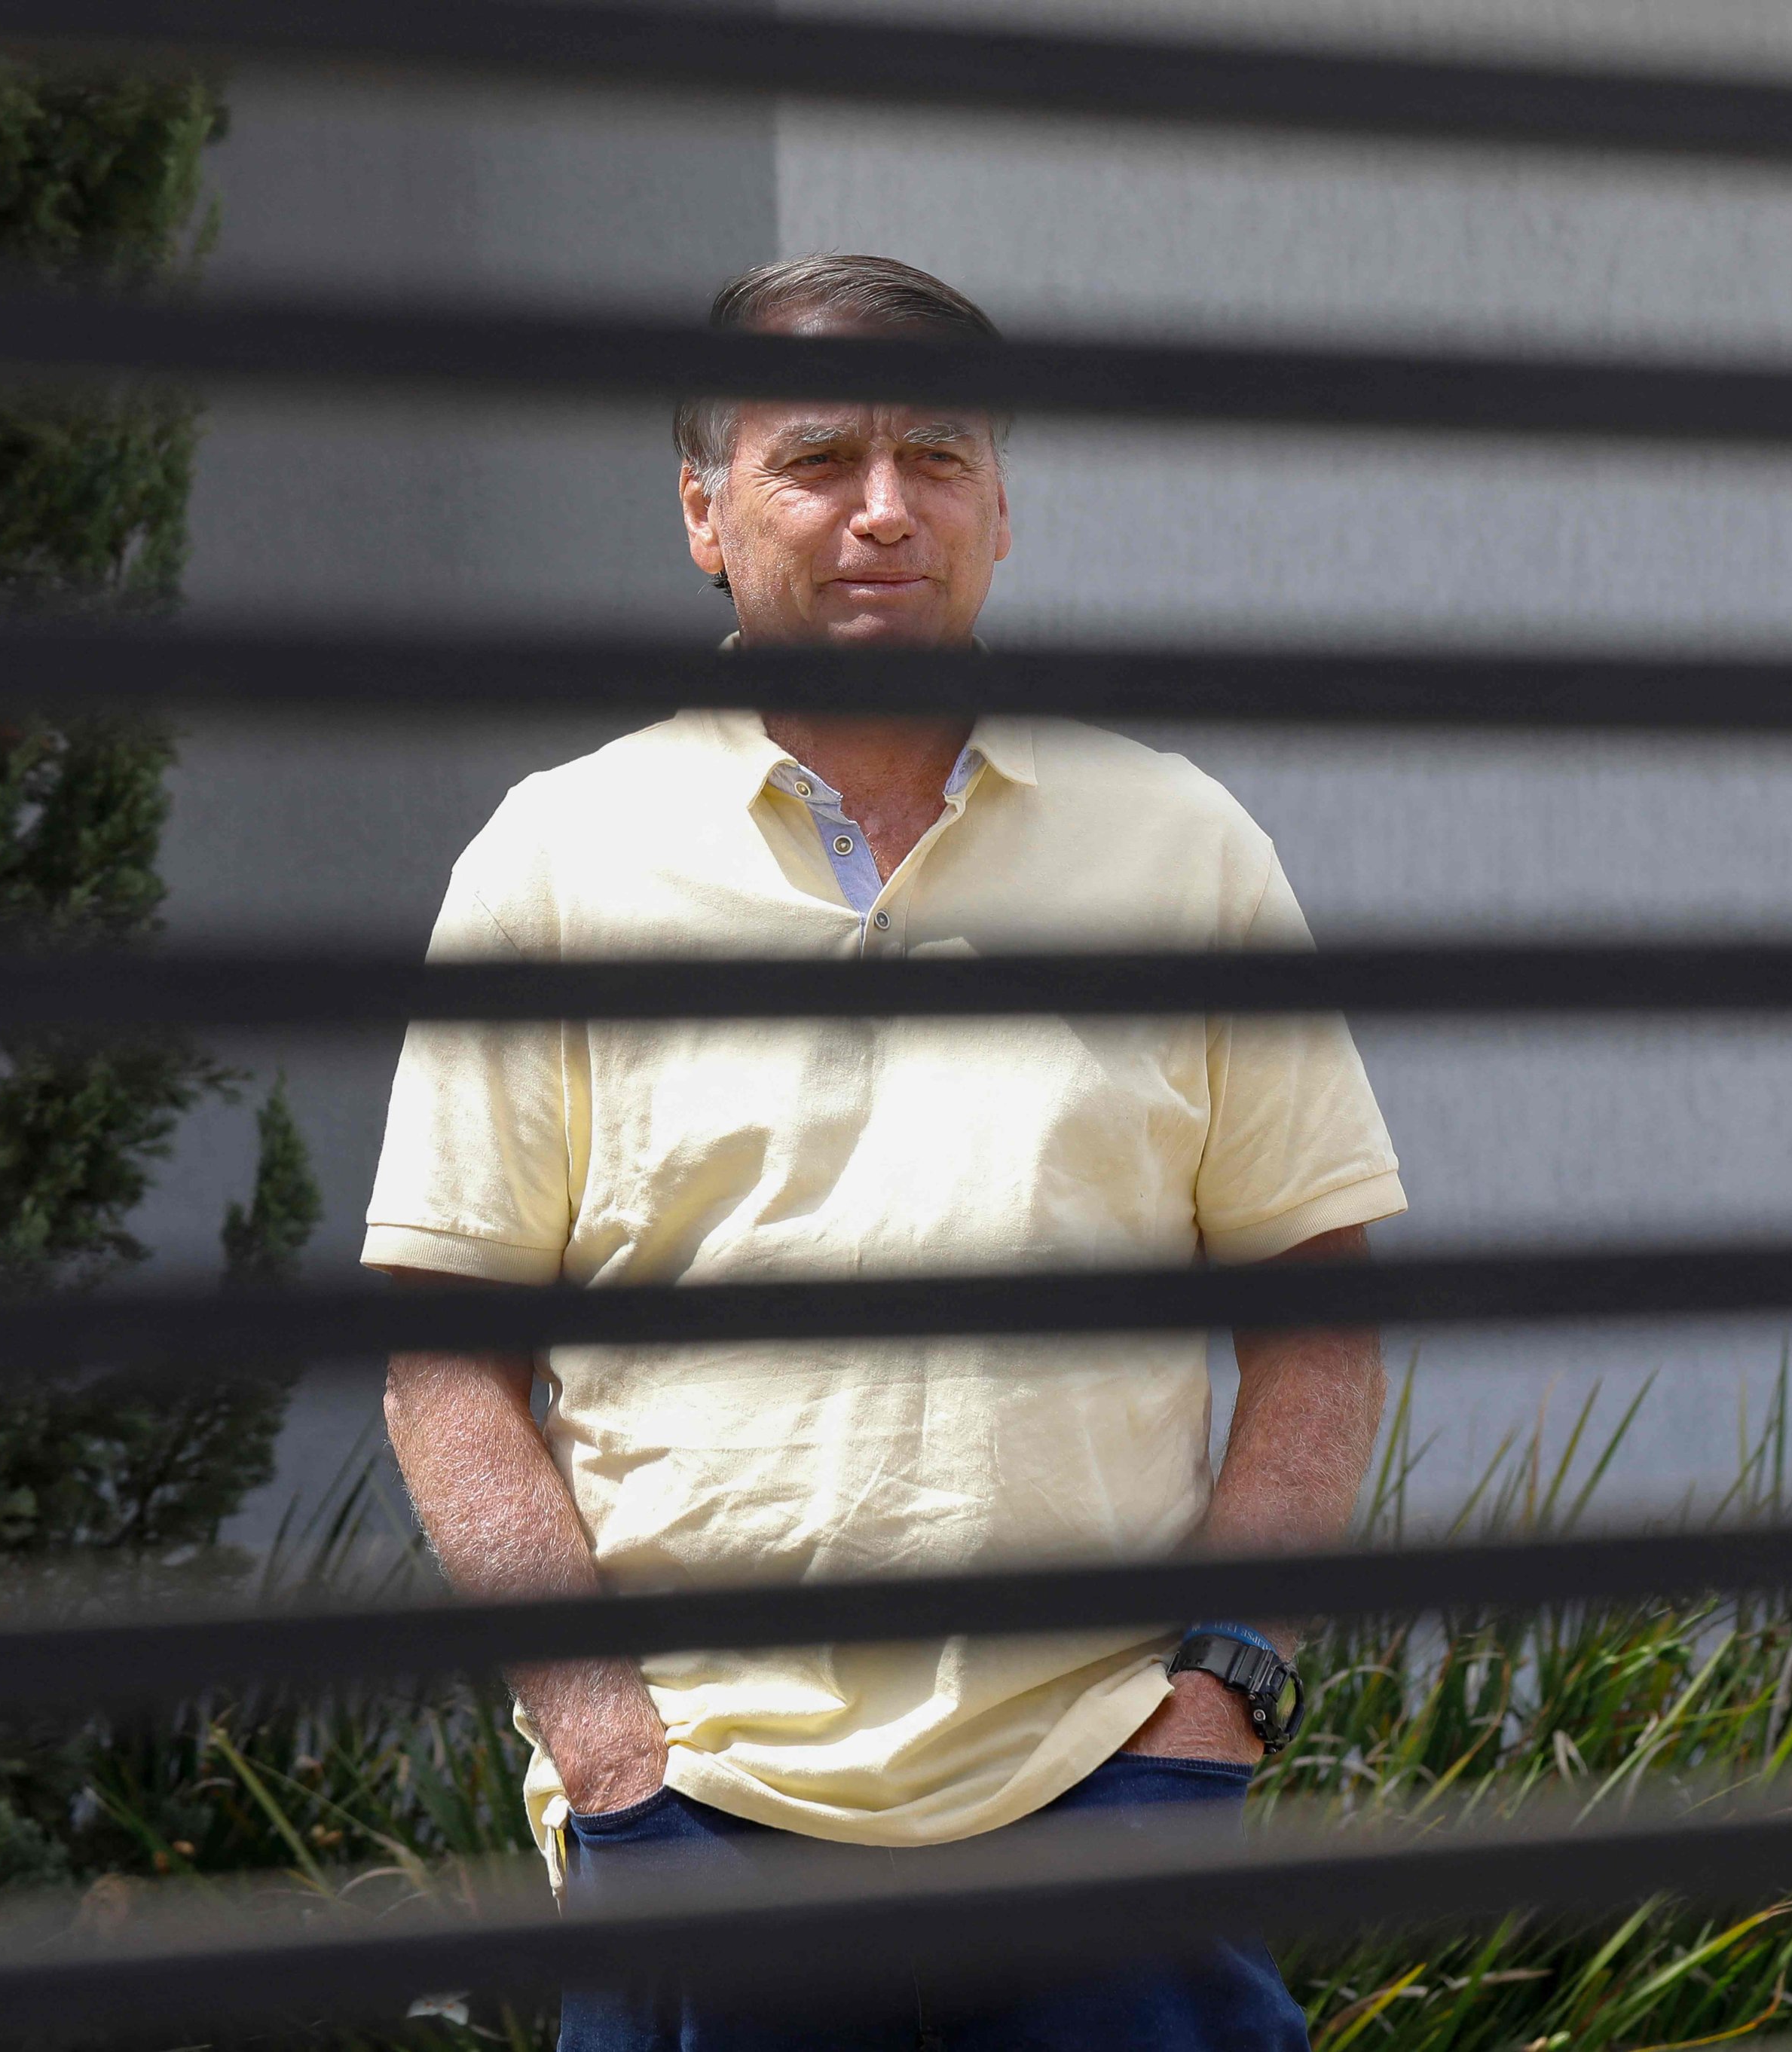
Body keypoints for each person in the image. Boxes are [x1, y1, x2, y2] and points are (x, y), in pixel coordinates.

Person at [365, 252, 1406, 2050]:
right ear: (701, 511)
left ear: (1001, 506)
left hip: (1105, 1825)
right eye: (815, 458)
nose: (881, 511)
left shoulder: (1182, 847)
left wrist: (1216, 1702)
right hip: (699, 1827)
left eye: (936, 458)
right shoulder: (551, 864)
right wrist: (612, 1762)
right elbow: (443, 1367)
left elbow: (1318, 1312)